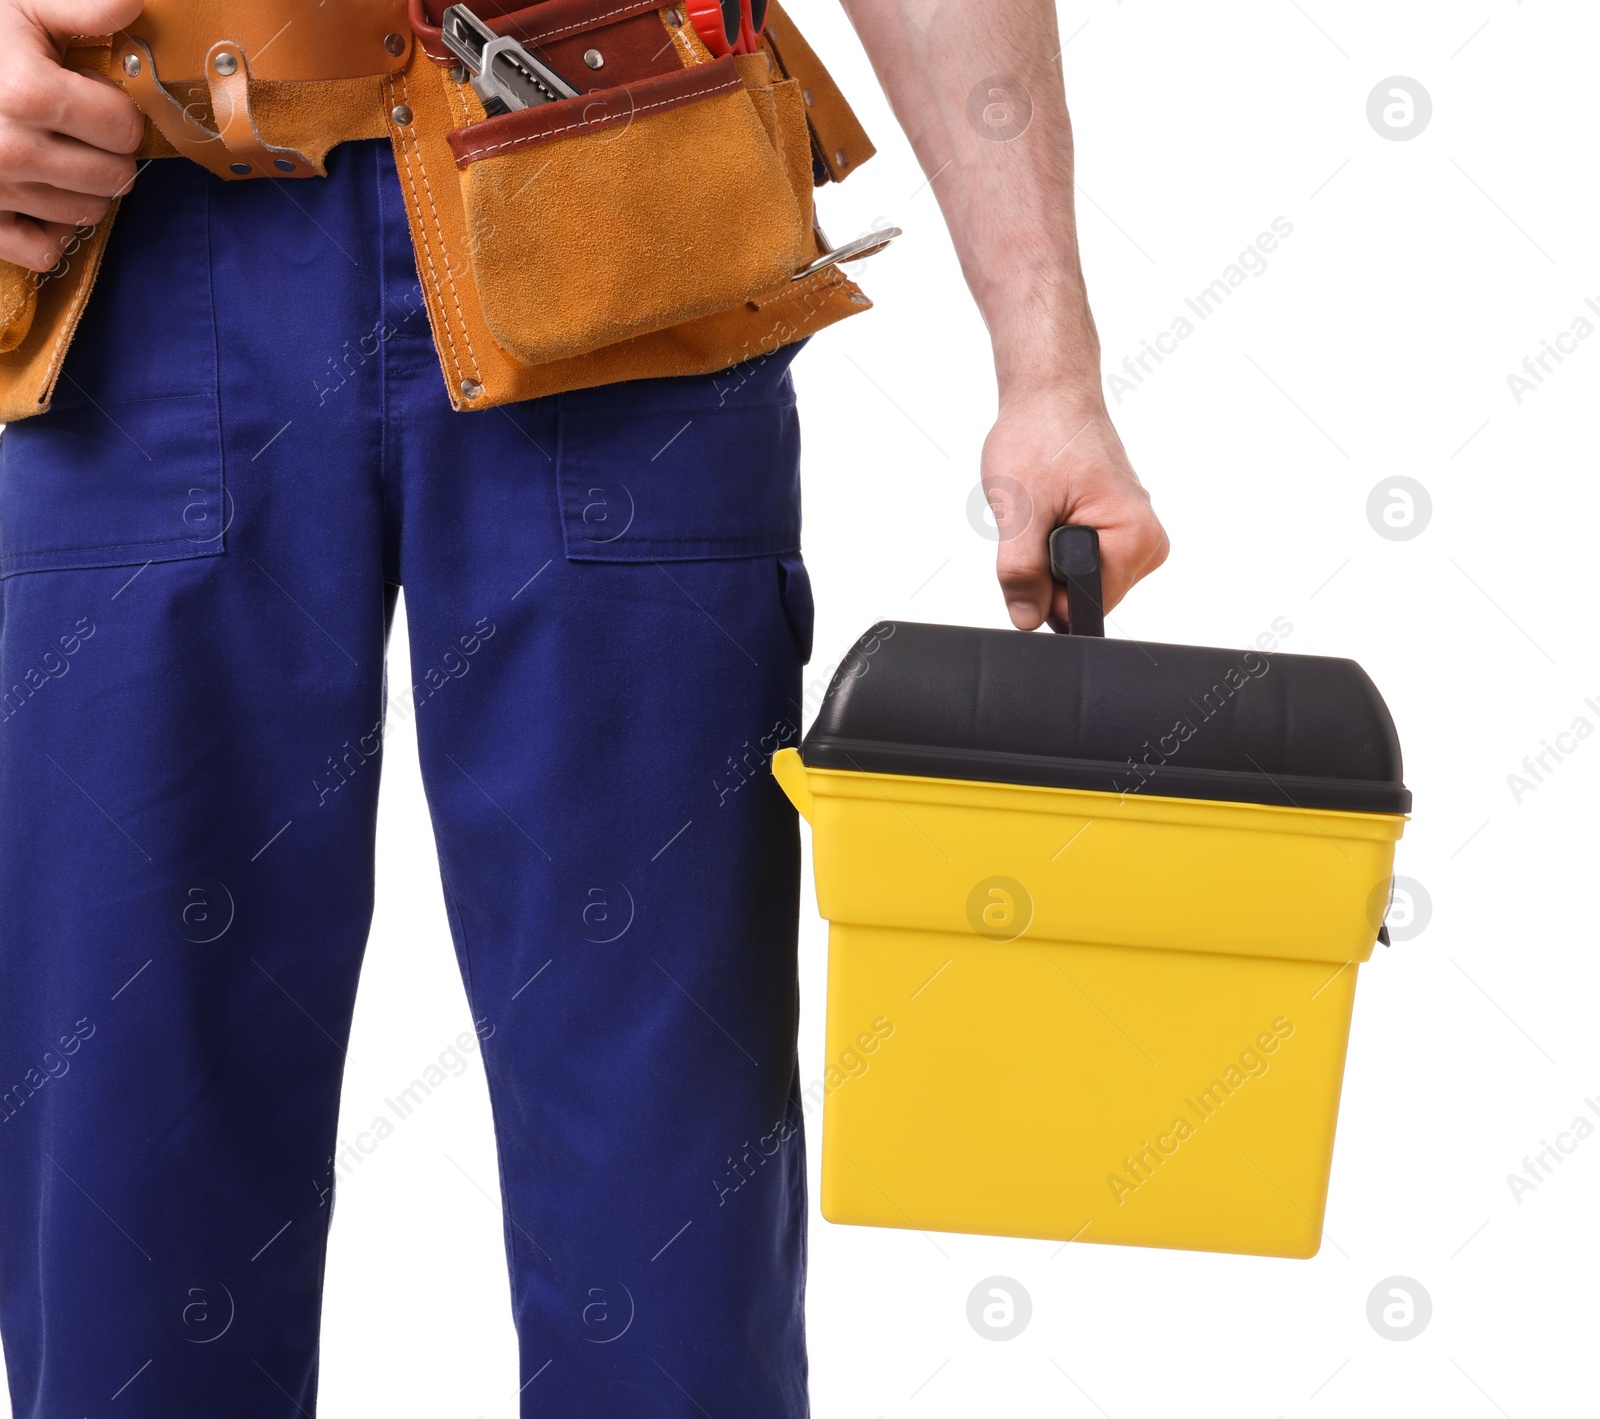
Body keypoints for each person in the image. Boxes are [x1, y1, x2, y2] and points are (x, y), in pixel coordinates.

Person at [0, 0, 1166, 1414]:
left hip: (608, 197)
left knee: (663, 1167)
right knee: (125, 1152)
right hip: (134, 222)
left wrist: (1050, 369)